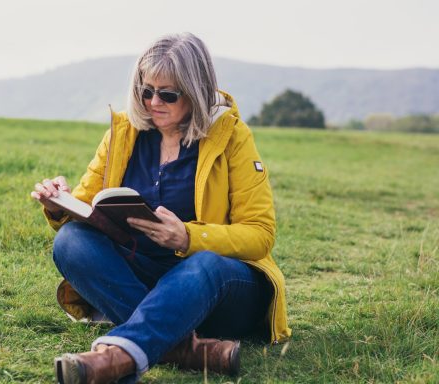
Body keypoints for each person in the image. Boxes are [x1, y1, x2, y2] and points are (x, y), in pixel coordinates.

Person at [31, 32, 291, 384]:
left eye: (168, 94)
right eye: (145, 90)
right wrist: (59, 201)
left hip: (219, 286)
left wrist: (187, 237)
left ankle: (117, 357)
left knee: (205, 262)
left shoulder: (232, 137)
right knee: (71, 241)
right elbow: (86, 204)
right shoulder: (125, 133)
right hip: (148, 277)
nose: (153, 102)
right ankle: (182, 347)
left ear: (196, 90)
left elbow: (260, 235)